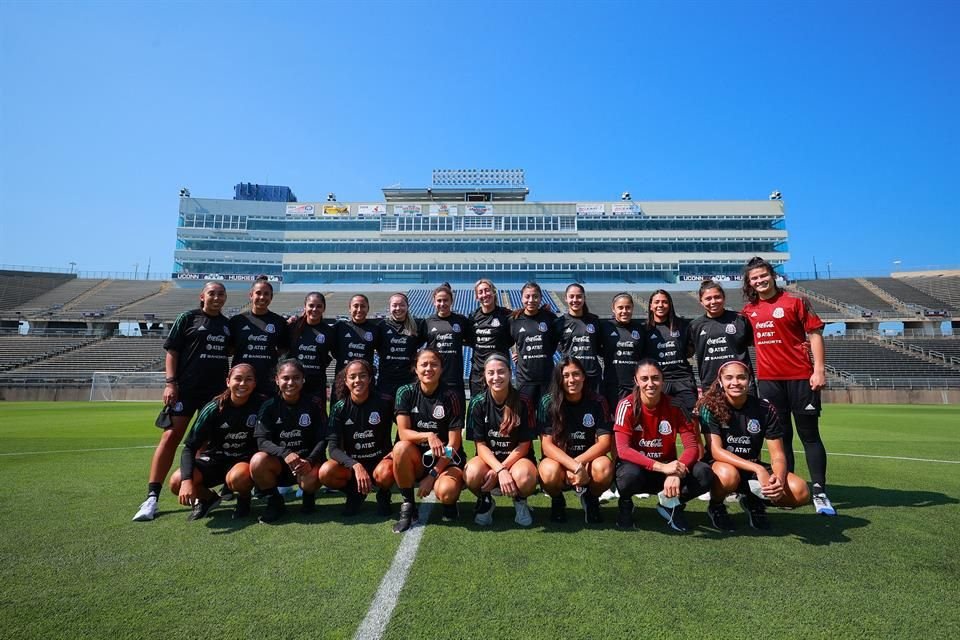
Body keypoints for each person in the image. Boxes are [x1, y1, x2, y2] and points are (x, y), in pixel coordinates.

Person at [742, 256, 835, 516]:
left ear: (772, 276)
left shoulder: (795, 301)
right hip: (769, 381)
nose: (760, 281)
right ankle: (789, 485)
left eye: (763, 276)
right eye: (754, 278)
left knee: (809, 435)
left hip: (800, 378)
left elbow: (815, 334)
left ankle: (819, 491)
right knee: (780, 438)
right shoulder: (749, 311)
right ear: (749, 283)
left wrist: (818, 369)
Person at [133, 281, 231, 522]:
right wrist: (170, 382)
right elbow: (172, 351)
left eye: (221, 294)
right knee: (170, 436)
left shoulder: (228, 326)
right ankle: (152, 497)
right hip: (185, 390)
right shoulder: (187, 318)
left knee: (202, 444)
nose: (217, 298)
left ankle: (200, 493)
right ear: (202, 296)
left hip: (215, 394)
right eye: (212, 293)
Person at [696, 360, 810, 531]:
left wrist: (777, 480)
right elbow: (716, 451)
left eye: (741, 377)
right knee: (729, 475)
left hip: (752, 467)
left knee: (801, 492)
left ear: (749, 380)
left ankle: (753, 500)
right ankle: (716, 506)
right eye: (729, 378)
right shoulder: (710, 406)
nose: (735, 382)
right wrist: (759, 469)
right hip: (722, 467)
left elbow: (778, 455)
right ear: (720, 381)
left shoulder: (764, 408)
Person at [613, 360, 713, 532]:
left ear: (663, 380)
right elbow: (623, 450)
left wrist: (674, 472)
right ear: (636, 381)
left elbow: (691, 446)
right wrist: (661, 467)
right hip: (640, 470)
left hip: (668, 472)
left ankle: (670, 504)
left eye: (655, 378)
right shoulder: (626, 405)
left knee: (704, 473)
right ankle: (626, 503)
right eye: (644, 379)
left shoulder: (676, 405)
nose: (650, 384)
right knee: (628, 476)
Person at [168, 363, 263, 520]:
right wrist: (186, 481)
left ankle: (244, 499)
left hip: (242, 461)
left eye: (248, 379)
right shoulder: (213, 408)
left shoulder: (261, 405)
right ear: (228, 381)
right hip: (215, 460)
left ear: (255, 383)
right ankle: (208, 498)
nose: (242, 384)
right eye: (237, 379)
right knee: (176, 482)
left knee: (238, 478)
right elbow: (189, 447)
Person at [391, 349, 467, 532]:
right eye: (423, 364)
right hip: (418, 458)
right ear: (415, 369)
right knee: (400, 448)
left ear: (441, 368)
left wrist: (432, 475)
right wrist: (428, 435)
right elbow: (403, 433)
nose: (428, 368)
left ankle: (450, 503)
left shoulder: (452, 396)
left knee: (446, 492)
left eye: (434, 364)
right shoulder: (405, 392)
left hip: (447, 461)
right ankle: (408, 505)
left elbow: (454, 444)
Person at [537, 357, 613, 524]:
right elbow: (547, 446)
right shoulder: (547, 402)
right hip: (558, 461)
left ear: (584, 377)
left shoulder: (598, 402)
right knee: (548, 472)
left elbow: (605, 442)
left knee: (605, 468)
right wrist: (573, 466)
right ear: (559, 378)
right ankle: (557, 500)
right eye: (566, 375)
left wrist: (578, 464)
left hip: (588, 461)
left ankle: (590, 498)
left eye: (576, 374)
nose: (572, 380)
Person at [251, 359, 328, 523]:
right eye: (285, 378)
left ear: (303, 379)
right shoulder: (269, 406)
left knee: (314, 477)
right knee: (258, 461)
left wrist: (310, 460)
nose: (290, 382)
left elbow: (322, 438)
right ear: (277, 380)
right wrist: (284, 453)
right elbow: (262, 441)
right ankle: (275, 501)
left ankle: (309, 497)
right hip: (280, 463)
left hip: (306, 462)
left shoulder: (315, 403)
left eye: (296, 378)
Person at [465, 354, 538, 527]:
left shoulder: (524, 401)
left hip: (517, 460)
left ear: (510, 373)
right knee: (471, 473)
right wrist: (499, 469)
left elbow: (524, 445)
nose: (496, 377)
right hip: (489, 461)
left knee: (526, 476)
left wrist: (503, 468)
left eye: (501, 372)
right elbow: (480, 445)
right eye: (491, 373)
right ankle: (487, 500)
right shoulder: (477, 402)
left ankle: (520, 501)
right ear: (484, 375)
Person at [319, 359, 396, 516]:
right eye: (352, 377)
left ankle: (384, 494)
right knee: (326, 472)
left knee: (386, 472)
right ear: (346, 381)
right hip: (352, 465)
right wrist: (355, 464)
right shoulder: (339, 408)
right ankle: (354, 493)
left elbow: (404, 425)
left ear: (369, 378)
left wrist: (397, 449)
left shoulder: (385, 401)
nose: (357, 380)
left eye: (362, 375)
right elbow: (333, 449)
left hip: (380, 462)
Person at [597, 292, 646, 504]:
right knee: (615, 435)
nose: (624, 311)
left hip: (635, 389)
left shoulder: (640, 330)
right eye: (621, 308)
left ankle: (637, 478)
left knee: (636, 433)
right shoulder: (605, 328)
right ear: (613, 309)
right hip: (611, 388)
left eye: (628, 307)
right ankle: (611, 480)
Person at [689, 280, 753, 390]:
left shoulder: (740, 319)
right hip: (711, 384)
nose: (713, 301)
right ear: (701, 302)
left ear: (723, 297)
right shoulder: (695, 326)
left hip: (740, 382)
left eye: (717, 297)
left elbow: (751, 342)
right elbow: (689, 351)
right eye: (708, 298)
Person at [229, 276, 289, 394]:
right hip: (242, 378)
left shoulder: (279, 322)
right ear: (251, 295)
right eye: (258, 293)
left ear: (271, 297)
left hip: (268, 379)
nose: (262, 297)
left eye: (266, 294)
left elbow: (284, 349)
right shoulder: (237, 321)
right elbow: (229, 350)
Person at [418, 284, 474, 410]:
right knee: (432, 417)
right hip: (433, 379)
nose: (442, 303)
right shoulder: (427, 322)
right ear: (434, 302)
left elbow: (474, 341)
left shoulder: (461, 321)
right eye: (439, 300)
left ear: (451, 301)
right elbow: (415, 345)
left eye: (445, 300)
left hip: (454, 378)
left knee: (456, 416)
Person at [643, 290, 697, 414]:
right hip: (658, 381)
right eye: (657, 302)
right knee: (659, 420)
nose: (660, 305)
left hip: (682, 379)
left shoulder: (684, 326)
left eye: (664, 302)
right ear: (651, 306)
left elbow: (690, 351)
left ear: (670, 305)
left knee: (691, 418)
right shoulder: (644, 329)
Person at [509, 281, 559, 401]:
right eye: (527, 296)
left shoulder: (550, 318)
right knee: (525, 417)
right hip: (524, 381)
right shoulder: (514, 320)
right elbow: (505, 341)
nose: (531, 300)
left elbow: (555, 342)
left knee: (546, 417)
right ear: (521, 298)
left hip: (546, 379)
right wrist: (516, 353)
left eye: (535, 296)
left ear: (541, 298)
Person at [288, 292, 335, 413]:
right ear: (305, 307)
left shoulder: (329, 332)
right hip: (293, 382)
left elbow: (334, 354)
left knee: (317, 419)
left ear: (324, 308)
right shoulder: (292, 327)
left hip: (317, 384)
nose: (314, 309)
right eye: (311, 305)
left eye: (319, 306)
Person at [330, 294, 378, 407]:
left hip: (365, 381)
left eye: (363, 306)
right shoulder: (339, 327)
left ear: (368, 308)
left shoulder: (375, 330)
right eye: (355, 306)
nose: (359, 309)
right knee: (338, 414)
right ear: (349, 308)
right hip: (342, 381)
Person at [554, 283, 603, 392]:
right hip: (571, 377)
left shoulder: (594, 321)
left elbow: (601, 345)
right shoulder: (559, 323)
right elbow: (549, 344)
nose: (575, 300)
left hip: (592, 375)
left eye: (579, 296)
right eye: (571, 296)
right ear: (565, 298)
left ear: (584, 298)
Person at [468, 279, 514, 396]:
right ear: (477, 296)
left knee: (501, 409)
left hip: (498, 373)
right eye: (481, 292)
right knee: (477, 409)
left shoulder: (507, 315)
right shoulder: (473, 317)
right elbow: (469, 340)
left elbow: (521, 333)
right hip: (478, 373)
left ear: (493, 292)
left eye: (487, 290)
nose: (484, 294)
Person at [375, 292, 419, 406]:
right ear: (389, 308)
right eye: (394, 305)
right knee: (383, 420)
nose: (398, 308)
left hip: (408, 382)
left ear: (407, 306)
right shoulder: (381, 327)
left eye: (402, 305)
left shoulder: (417, 326)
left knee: (407, 420)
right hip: (385, 382)